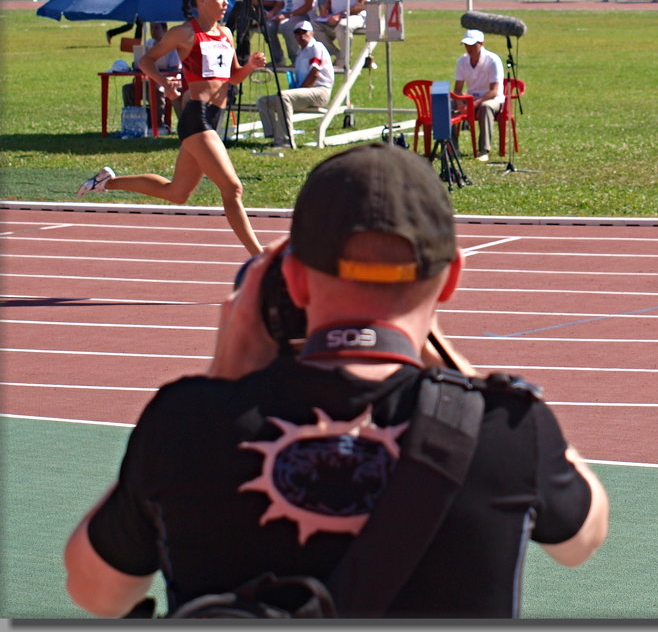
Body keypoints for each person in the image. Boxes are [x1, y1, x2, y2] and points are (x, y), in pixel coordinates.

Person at [63, 142, 609, 619]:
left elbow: (96, 593)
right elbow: (582, 537)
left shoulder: (187, 425)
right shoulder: (508, 430)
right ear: (450, 280)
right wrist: (445, 357)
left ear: (295, 281)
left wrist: (219, 381)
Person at [76, 0, 267, 254]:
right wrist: (165, 84)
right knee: (233, 188)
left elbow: (233, 78)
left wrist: (249, 65)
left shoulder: (225, 34)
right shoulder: (183, 33)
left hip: (215, 118)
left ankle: (107, 181)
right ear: (200, 1)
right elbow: (146, 60)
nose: (225, 3)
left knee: (177, 193)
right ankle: (260, 258)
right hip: (196, 119)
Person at [257, 21, 334, 149]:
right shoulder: (300, 53)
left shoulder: (316, 47)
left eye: (304, 32)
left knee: (283, 97)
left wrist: (299, 90)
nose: (301, 35)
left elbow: (315, 73)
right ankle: (275, 136)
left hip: (320, 91)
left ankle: (286, 141)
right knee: (263, 101)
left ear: (312, 33)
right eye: (297, 33)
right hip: (307, 91)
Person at [453, 29, 504, 162]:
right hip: (471, 98)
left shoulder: (493, 60)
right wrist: (459, 103)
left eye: (472, 45)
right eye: (466, 45)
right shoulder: (462, 61)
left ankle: (483, 150)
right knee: (448, 105)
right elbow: (457, 89)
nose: (469, 48)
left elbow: (494, 90)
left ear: (481, 43)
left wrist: (475, 103)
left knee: (486, 107)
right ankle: (452, 147)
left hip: (493, 99)